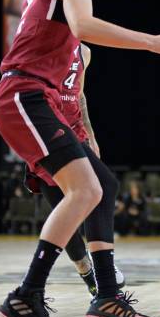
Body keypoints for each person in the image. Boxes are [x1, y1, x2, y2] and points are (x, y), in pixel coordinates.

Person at [0, 0, 160, 317]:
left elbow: (76, 62)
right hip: (25, 95)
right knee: (84, 190)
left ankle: (106, 294)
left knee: (102, 185)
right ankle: (27, 294)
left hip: (40, 99)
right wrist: (152, 42)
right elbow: (84, 25)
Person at [23, 43, 125, 296]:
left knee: (99, 191)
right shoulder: (43, 46)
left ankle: (103, 278)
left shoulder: (84, 53)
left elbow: (79, 94)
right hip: (48, 132)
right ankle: (88, 273)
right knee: (65, 213)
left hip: (75, 133)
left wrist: (90, 135)